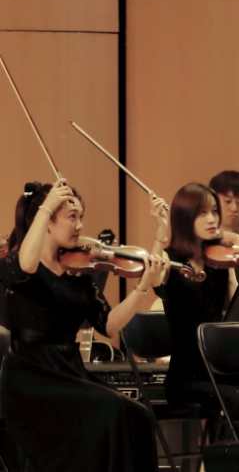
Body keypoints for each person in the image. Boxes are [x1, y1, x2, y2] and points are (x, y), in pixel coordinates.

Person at [0, 179, 165, 472]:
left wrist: (142, 288)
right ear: (47, 223)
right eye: (71, 217)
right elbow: (27, 264)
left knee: (138, 415)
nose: (80, 226)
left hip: (69, 370)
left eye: (81, 217)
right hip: (32, 378)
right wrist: (47, 206)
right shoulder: (18, 266)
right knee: (109, 411)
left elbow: (109, 325)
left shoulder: (79, 272)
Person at [153, 183, 239, 413]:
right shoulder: (170, 259)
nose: (212, 219)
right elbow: (153, 276)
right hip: (187, 377)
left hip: (221, 367)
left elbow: (237, 307)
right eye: (202, 213)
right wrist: (161, 231)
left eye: (214, 211)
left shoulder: (218, 259)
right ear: (185, 218)